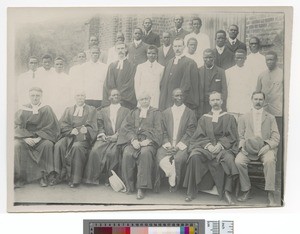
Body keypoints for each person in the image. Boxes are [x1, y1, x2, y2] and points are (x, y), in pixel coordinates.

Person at [183, 91, 239, 205]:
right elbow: (198, 136)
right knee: (194, 156)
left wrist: (220, 145)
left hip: (223, 148)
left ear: (222, 101)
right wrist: (208, 146)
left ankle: (227, 192)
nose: (215, 102)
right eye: (213, 100)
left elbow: (232, 136)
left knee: (229, 159)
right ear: (209, 102)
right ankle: (191, 191)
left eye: (217, 99)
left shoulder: (229, 117)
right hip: (206, 148)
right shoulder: (204, 118)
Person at [235, 91, 280, 206]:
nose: (258, 102)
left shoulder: (270, 117)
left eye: (260, 99)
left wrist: (267, 146)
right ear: (251, 100)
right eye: (256, 99)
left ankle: (270, 192)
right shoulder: (244, 117)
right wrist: (242, 147)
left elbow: (276, 137)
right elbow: (240, 136)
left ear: (264, 101)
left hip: (265, 148)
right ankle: (246, 190)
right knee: (239, 161)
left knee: (270, 160)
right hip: (248, 148)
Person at [117, 93, 163, 199]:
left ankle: (142, 187)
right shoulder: (133, 112)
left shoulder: (156, 113)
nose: (144, 101)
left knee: (145, 153)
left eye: (146, 99)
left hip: (149, 142)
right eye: (142, 99)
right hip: (134, 141)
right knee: (127, 153)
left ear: (150, 99)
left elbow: (159, 129)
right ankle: (129, 185)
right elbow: (126, 128)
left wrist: (149, 140)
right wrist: (133, 140)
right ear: (139, 101)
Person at [14, 87, 60, 188]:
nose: (35, 98)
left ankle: (43, 177)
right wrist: (25, 138)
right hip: (25, 138)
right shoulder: (22, 109)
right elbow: (17, 126)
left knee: (48, 145)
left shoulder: (46, 109)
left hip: (41, 139)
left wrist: (39, 138)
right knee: (16, 145)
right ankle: (20, 178)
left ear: (41, 96)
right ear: (29, 96)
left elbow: (51, 127)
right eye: (33, 95)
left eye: (37, 96)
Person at [83, 89, 130, 185]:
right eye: (113, 95)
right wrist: (102, 134)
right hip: (105, 137)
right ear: (109, 97)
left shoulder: (126, 111)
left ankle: (110, 179)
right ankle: (93, 178)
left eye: (117, 95)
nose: (115, 96)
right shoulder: (102, 111)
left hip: (119, 138)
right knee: (95, 151)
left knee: (113, 153)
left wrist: (117, 135)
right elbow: (99, 124)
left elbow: (126, 125)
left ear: (120, 97)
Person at [52, 90, 98, 187]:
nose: (80, 97)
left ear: (85, 97)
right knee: (58, 145)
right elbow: (63, 124)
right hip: (70, 136)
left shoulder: (91, 109)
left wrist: (87, 130)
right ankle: (59, 176)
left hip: (83, 138)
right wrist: (71, 131)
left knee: (77, 147)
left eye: (82, 95)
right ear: (75, 97)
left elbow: (93, 125)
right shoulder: (68, 109)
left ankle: (74, 179)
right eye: (78, 95)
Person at [155, 89, 197, 192]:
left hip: (182, 145)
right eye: (176, 96)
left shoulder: (190, 113)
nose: (179, 98)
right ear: (172, 97)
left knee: (179, 159)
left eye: (181, 95)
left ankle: (173, 184)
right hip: (168, 144)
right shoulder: (165, 113)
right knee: (159, 156)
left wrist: (178, 146)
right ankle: (171, 174)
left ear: (184, 97)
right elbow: (162, 131)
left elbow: (191, 131)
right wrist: (168, 145)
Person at [256, 51, 283, 171]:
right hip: (265, 113)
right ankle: (265, 164)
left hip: (278, 112)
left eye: (271, 59)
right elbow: (257, 93)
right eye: (267, 60)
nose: (269, 62)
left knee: (277, 139)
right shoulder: (261, 75)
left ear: (276, 60)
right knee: (265, 138)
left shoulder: (283, 74)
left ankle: (279, 167)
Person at [159, 38, 199, 111]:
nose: (177, 49)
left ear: (184, 47)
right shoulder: (169, 62)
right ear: (173, 47)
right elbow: (163, 84)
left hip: (181, 102)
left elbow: (191, 85)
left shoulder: (190, 63)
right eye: (175, 46)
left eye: (179, 46)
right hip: (168, 101)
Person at [103, 42, 137, 109]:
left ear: (126, 50)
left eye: (122, 48)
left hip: (126, 100)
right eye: (118, 49)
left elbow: (130, 83)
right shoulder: (112, 66)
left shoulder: (132, 66)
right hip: (114, 99)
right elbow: (109, 83)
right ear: (115, 50)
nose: (120, 50)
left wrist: (119, 95)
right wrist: (115, 95)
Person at [226, 49, 256, 119]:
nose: (239, 60)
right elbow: (226, 90)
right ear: (234, 58)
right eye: (237, 58)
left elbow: (253, 90)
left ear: (245, 58)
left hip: (246, 106)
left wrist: (251, 106)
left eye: (241, 58)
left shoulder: (251, 72)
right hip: (232, 106)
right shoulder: (228, 72)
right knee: (233, 127)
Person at [198, 49, 227, 118]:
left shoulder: (221, 71)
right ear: (203, 58)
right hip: (203, 104)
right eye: (206, 57)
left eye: (210, 57)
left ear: (214, 57)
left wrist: (220, 102)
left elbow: (224, 90)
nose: (208, 59)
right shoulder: (198, 71)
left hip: (216, 104)